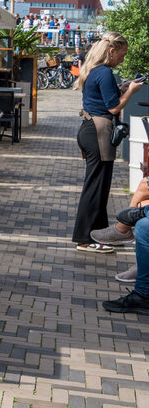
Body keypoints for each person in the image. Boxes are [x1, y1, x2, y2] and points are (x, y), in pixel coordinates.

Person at [73, 32, 142, 253]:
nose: (122, 59)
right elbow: (113, 108)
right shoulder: (104, 72)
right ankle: (85, 239)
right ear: (111, 51)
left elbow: (104, 99)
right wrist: (130, 91)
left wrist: (121, 88)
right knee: (95, 188)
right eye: (121, 55)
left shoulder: (95, 70)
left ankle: (97, 235)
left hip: (90, 128)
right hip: (98, 131)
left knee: (99, 187)